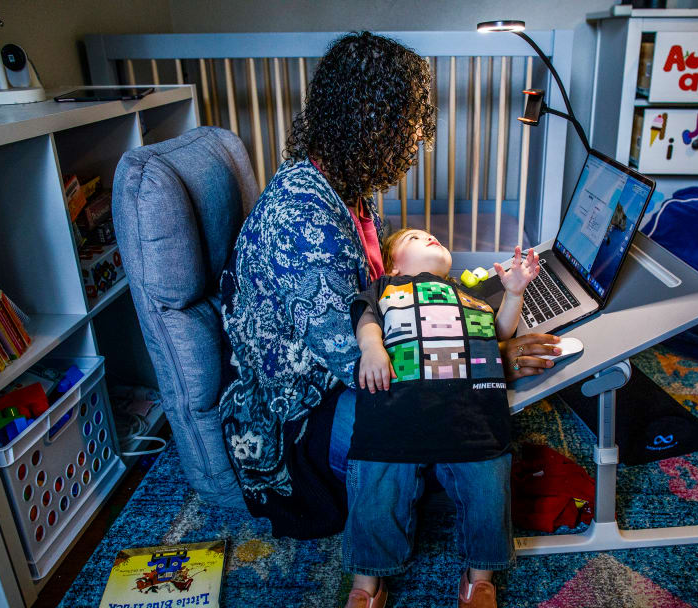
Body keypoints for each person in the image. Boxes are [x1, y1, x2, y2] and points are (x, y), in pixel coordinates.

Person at [219, 31, 561, 538]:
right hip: (300, 419)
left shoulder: (346, 191)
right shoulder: (304, 222)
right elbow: (366, 368)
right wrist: (489, 360)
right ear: (368, 121)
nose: (418, 136)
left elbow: (381, 299)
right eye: (409, 122)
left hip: (347, 376)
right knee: (466, 430)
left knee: (466, 417)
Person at [332, 228, 539, 608]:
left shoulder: (470, 294)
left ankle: (480, 580)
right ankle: (366, 586)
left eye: (431, 236)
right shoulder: (386, 288)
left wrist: (514, 292)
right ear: (394, 264)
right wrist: (372, 349)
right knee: (376, 491)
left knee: (488, 490)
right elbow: (366, 320)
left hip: (472, 418)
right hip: (393, 417)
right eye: (414, 236)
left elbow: (499, 332)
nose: (430, 238)